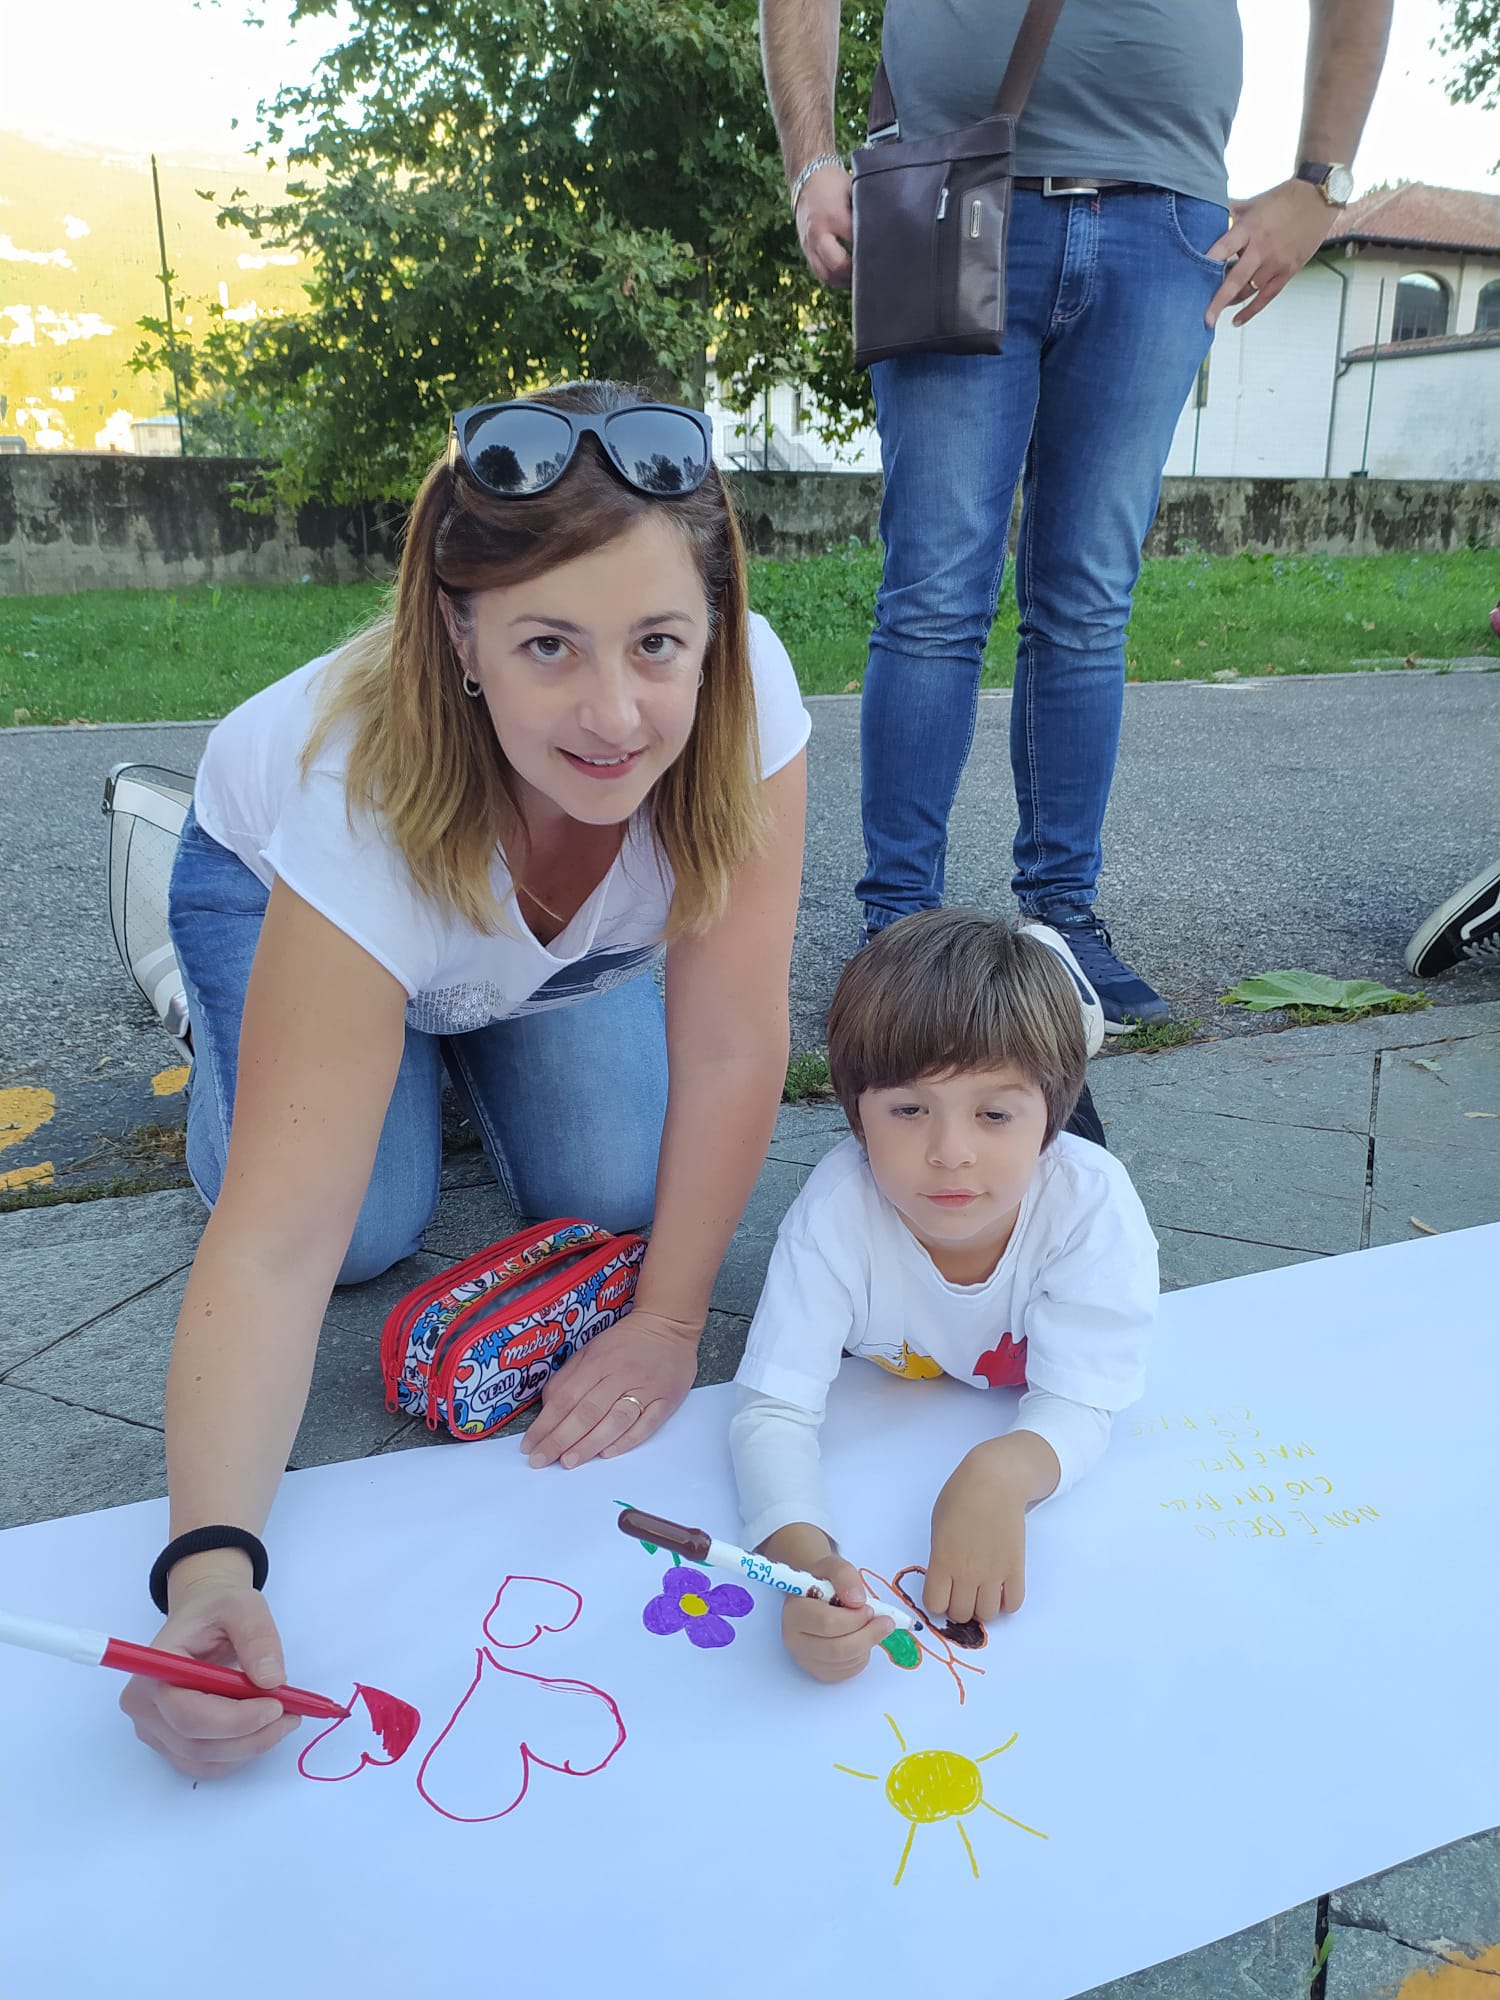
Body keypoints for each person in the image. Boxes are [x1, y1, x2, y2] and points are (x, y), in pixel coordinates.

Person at [122, 381, 810, 1776]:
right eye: (548, 644)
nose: (615, 713)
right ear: (462, 634)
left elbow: (735, 1037)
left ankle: (419, 1010)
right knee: (363, 1220)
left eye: (658, 645)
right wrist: (206, 1572)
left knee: (619, 1186)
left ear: (715, 633)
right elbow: (276, 1243)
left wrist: (671, 1325)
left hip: (527, 954)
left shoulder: (745, 708)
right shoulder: (354, 785)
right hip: (273, 880)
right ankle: (226, 988)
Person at [761, 0, 1393, 1029]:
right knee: (932, 591)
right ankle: (899, 935)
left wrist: (1321, 182)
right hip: (949, 191)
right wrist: (809, 160)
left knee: (1090, 596)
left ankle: (1063, 920)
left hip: (1168, 222)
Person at [729, 909, 1157, 1682]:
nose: (950, 1153)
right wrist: (802, 1562)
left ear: (1050, 1115)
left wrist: (1002, 1472)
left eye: (995, 1113)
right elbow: (772, 1411)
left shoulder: (1092, 1206)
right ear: (855, 1113)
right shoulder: (834, 1215)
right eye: (907, 1109)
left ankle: (1049, 983)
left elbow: (1085, 1396)